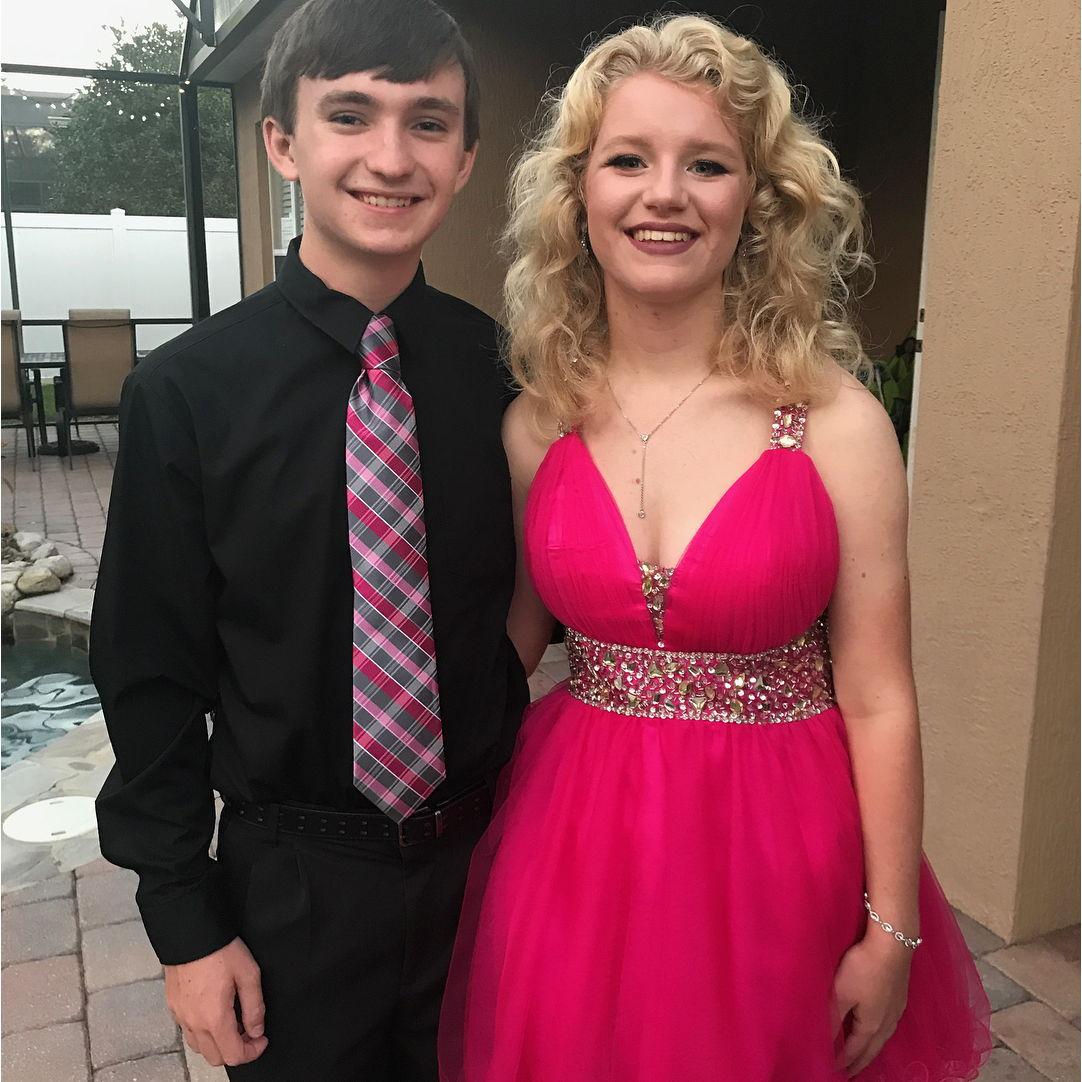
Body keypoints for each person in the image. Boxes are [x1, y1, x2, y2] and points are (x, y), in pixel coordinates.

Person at [438, 14, 992, 1081]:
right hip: (574, 850)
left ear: (755, 199)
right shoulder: (537, 424)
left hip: (778, 859)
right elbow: (506, 647)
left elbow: (879, 693)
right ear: (578, 193)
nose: (665, 194)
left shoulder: (834, 423)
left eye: (706, 163)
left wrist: (890, 931)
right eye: (627, 160)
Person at [89, 1, 528, 1078]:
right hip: (292, 886)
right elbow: (148, 676)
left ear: (467, 158)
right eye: (351, 115)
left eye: (429, 123)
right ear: (282, 142)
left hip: (488, 871)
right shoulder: (185, 394)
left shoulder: (508, 378)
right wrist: (184, 923)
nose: (392, 157)